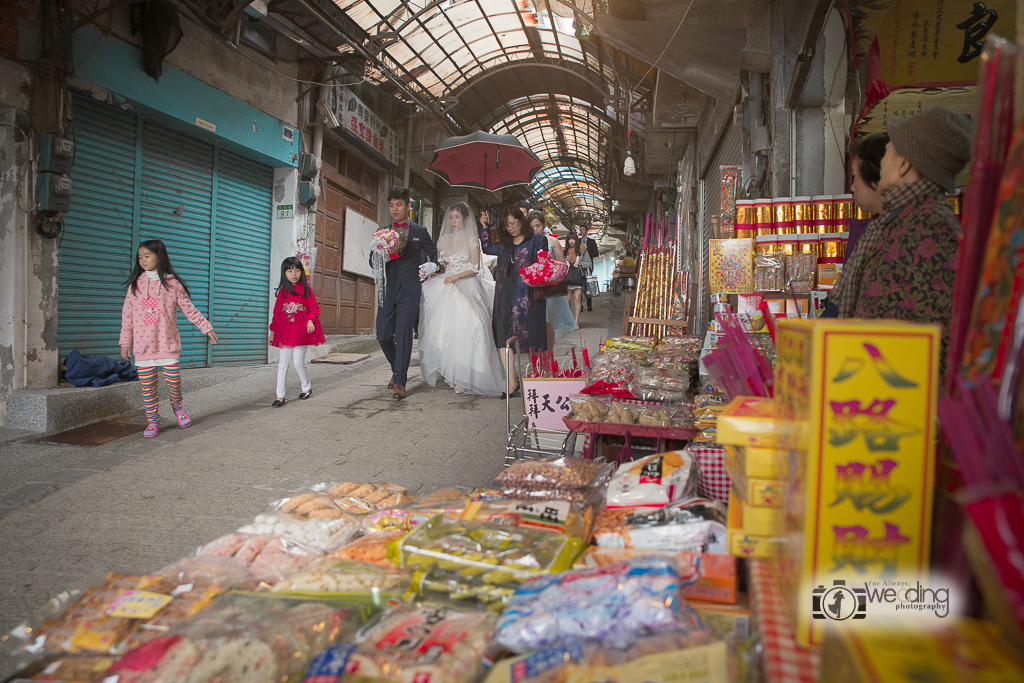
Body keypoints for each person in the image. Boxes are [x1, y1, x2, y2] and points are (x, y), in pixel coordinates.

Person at [846, 107, 972, 378]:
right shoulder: (901, 218)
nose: (882, 163)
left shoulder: (929, 225)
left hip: (900, 397)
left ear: (903, 164)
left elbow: (933, 333)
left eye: (889, 151)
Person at [119, 239, 218, 438]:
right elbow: (127, 316)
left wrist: (206, 327)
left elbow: (189, 309)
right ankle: (153, 421)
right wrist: (125, 342)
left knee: (173, 381)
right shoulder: (135, 287)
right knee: (148, 387)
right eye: (140, 257)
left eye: (147, 256)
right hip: (143, 346)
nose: (143, 260)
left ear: (160, 256)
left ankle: (178, 408)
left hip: (167, 343)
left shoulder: (173, 285)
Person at [419, 203, 505, 396]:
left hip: (466, 283)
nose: (453, 221)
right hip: (447, 285)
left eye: (457, 217)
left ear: (465, 219)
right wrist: (431, 270)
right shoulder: (444, 240)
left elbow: (475, 267)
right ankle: (456, 373)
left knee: (473, 325)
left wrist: (456, 277)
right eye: (450, 217)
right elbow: (442, 265)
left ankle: (470, 373)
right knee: (447, 331)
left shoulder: (472, 239)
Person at [372, 186, 439, 400]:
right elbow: (371, 260)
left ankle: (400, 381)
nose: (394, 209)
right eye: (391, 205)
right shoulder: (382, 232)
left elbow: (435, 255)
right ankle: (397, 368)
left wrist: (433, 266)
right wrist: (380, 254)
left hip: (410, 290)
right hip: (388, 289)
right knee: (382, 335)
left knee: (403, 335)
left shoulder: (420, 232)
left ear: (408, 206)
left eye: (398, 205)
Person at [480, 204, 549, 397]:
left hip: (528, 296)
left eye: (513, 223)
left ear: (521, 221)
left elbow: (544, 264)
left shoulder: (538, 241)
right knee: (503, 337)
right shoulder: (504, 243)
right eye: (507, 225)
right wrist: (484, 226)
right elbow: (486, 247)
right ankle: (512, 383)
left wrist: (543, 261)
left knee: (534, 338)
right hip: (504, 294)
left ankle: (540, 381)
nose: (510, 228)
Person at [822, 132, 889, 318]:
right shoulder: (873, 229)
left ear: (877, 178)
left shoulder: (893, 233)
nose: (852, 187)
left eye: (855, 177)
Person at [269, 256, 326, 407]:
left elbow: (314, 308)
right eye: (290, 271)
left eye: (297, 270)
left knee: (297, 362)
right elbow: (277, 314)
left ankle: (306, 388)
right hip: (286, 331)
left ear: (301, 271)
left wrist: (310, 320)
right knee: (283, 364)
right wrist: (273, 332)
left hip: (301, 332)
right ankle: (279, 396)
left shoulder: (306, 289)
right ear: (284, 273)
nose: (294, 274)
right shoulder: (282, 292)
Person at [528, 211, 575, 351]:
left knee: (548, 322)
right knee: (534, 322)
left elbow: (562, 263)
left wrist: (550, 267)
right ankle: (537, 355)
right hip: (533, 285)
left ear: (544, 225)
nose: (535, 229)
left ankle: (549, 353)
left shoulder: (552, 241)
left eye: (538, 226)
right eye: (532, 227)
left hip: (548, 287)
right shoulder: (527, 241)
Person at [564, 230, 588, 327]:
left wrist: (581, 264)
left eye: (573, 239)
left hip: (578, 278)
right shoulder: (565, 251)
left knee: (577, 299)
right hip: (568, 278)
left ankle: (576, 321)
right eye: (569, 239)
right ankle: (570, 321)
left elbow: (588, 262)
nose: (571, 241)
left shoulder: (582, 251)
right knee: (568, 300)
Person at [581, 229, 600, 311]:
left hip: (588, 267)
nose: (582, 231)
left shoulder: (591, 242)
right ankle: (580, 305)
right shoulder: (578, 242)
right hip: (579, 267)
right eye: (580, 230)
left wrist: (587, 253)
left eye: (583, 230)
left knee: (588, 284)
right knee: (580, 286)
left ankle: (589, 305)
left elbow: (596, 253)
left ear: (586, 231)